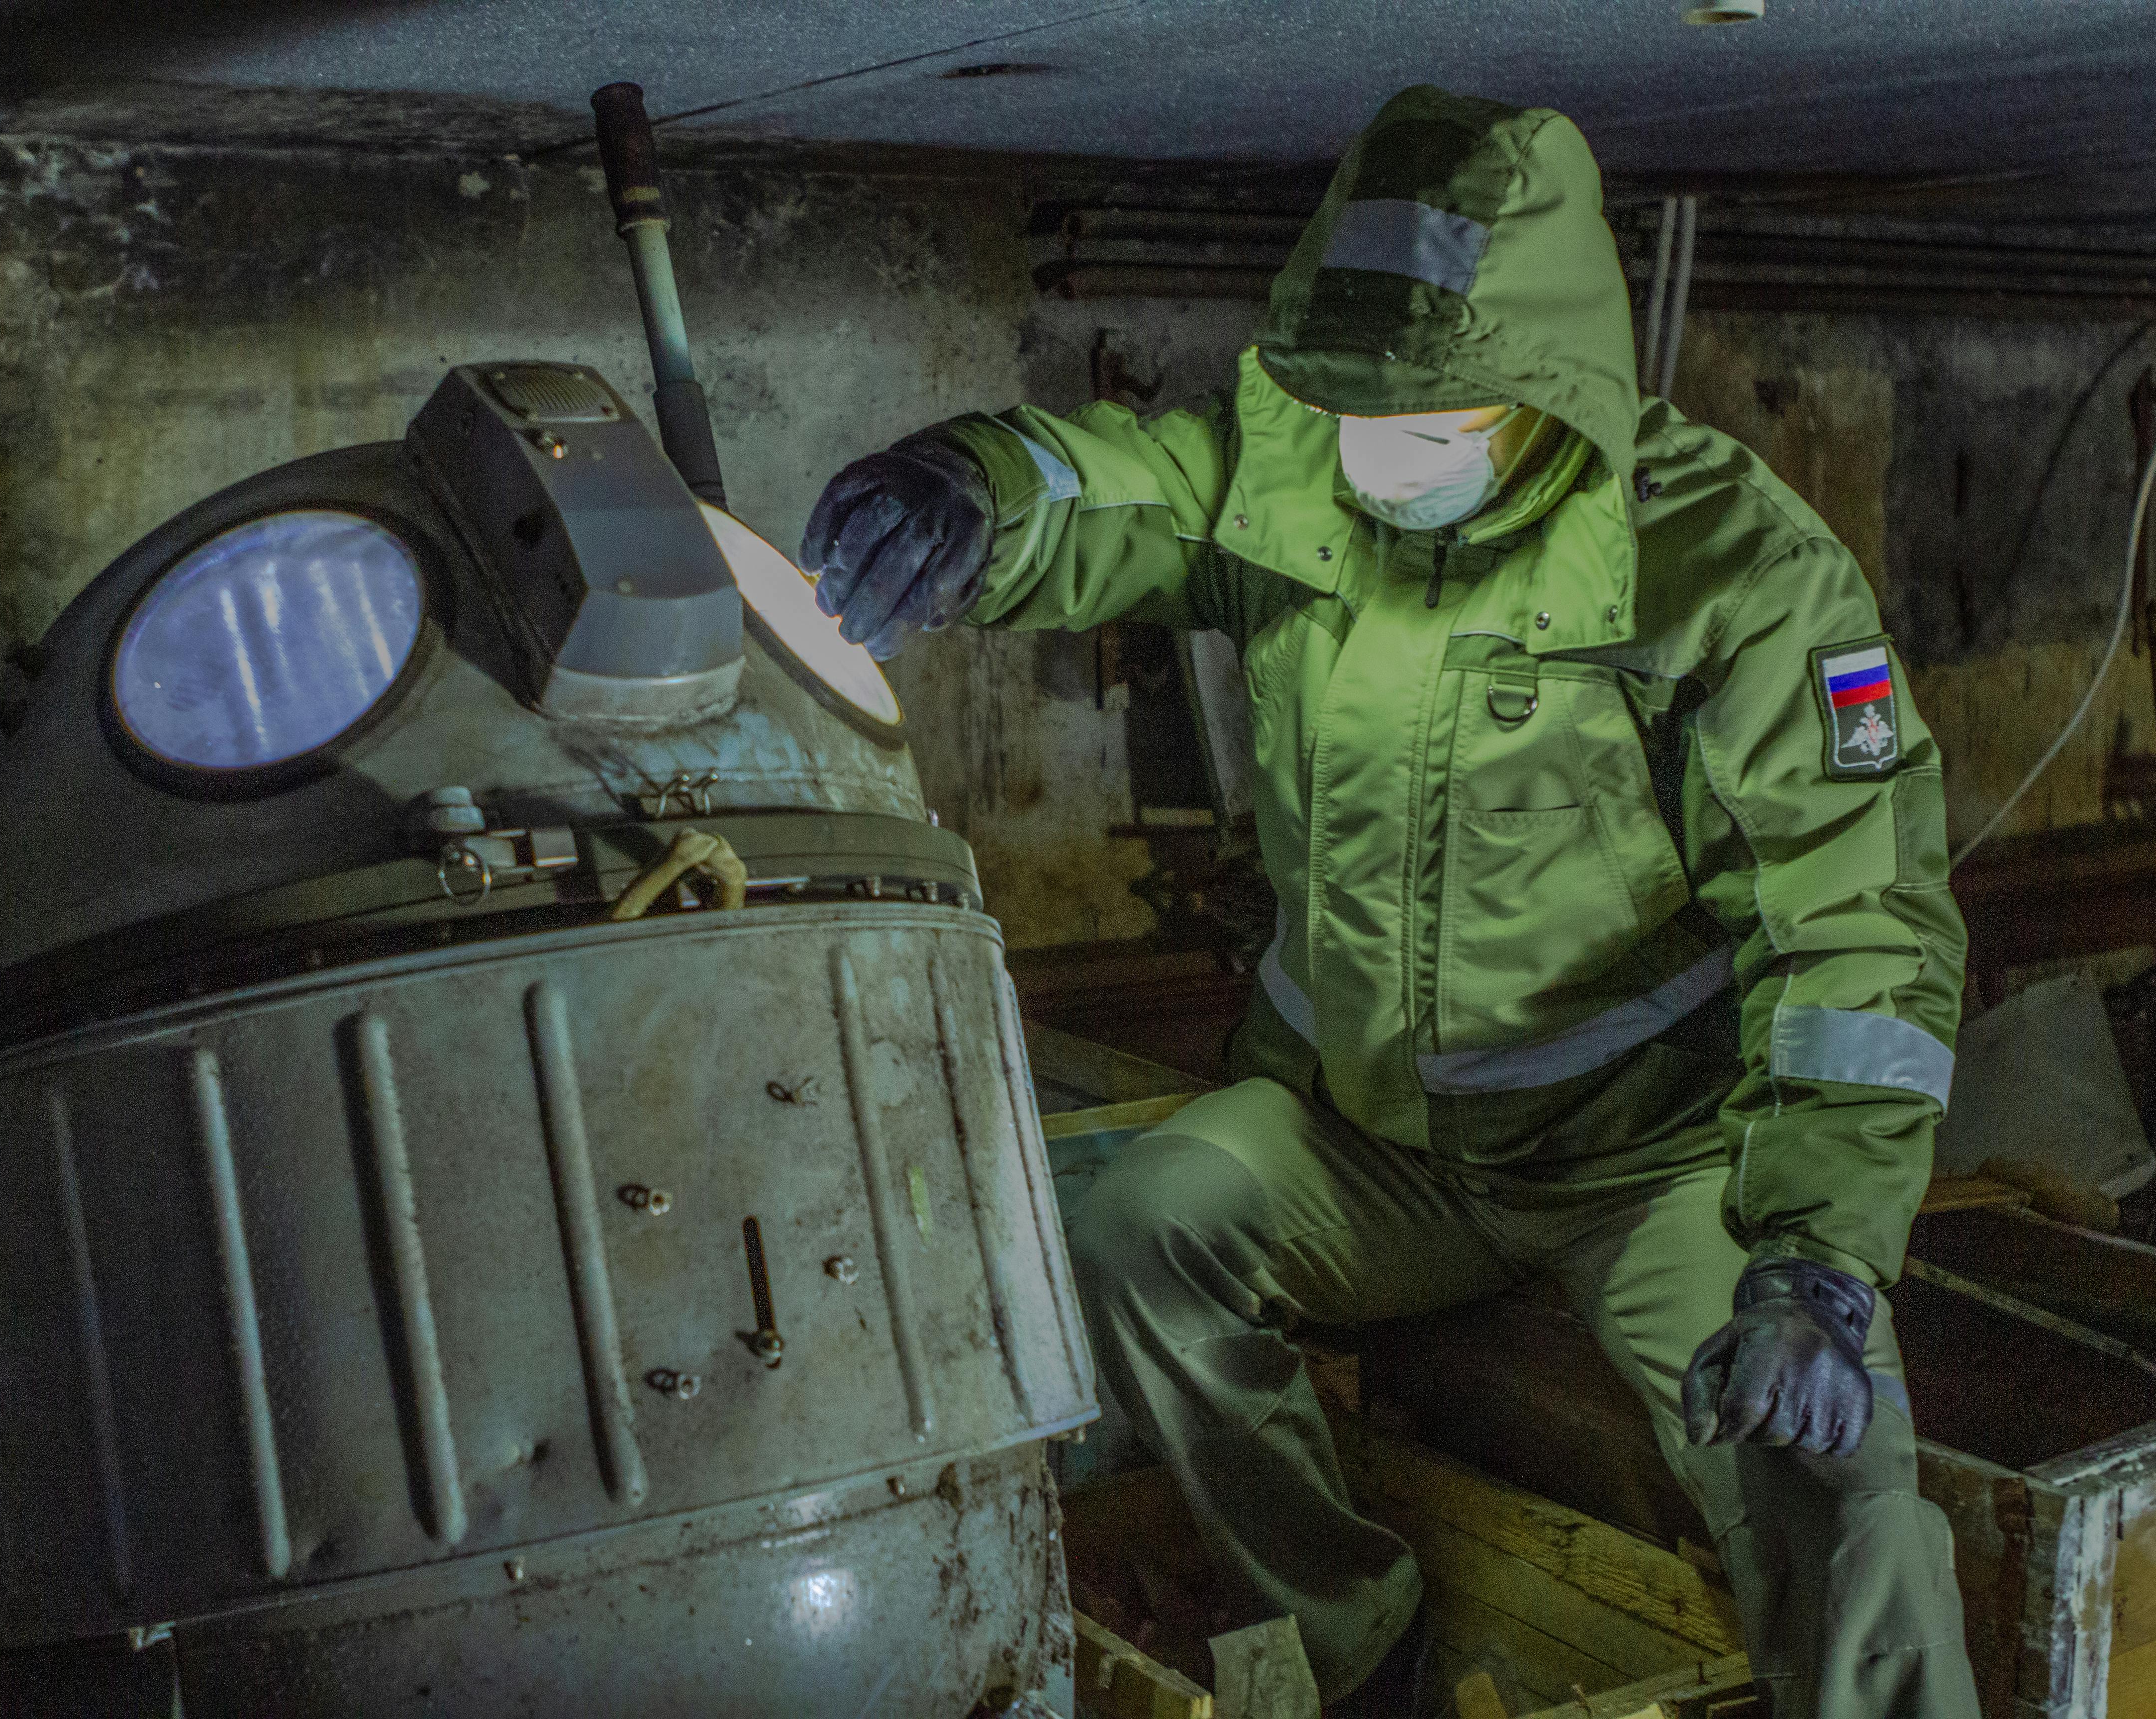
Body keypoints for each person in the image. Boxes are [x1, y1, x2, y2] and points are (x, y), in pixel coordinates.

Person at [801, 86, 1976, 1719]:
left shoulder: (1729, 575)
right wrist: (974, 489)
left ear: (1547, 390)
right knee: (1142, 1233)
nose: (1376, 450)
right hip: (1373, 1146)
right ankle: (1358, 1642)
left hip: (1645, 1165)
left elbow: (1859, 934)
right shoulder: (1304, 480)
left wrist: (1816, 1267)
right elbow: (1125, 486)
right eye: (1354, 402)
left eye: (1427, 418)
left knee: (1833, 1487)